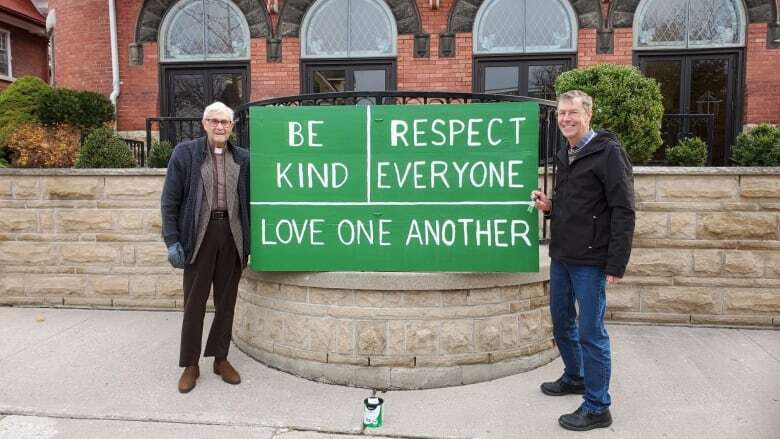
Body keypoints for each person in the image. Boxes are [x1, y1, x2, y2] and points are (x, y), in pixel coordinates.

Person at [531, 90, 635, 431]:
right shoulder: (567, 153)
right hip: (562, 253)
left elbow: (623, 210)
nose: (565, 119)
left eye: (572, 113)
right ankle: (575, 377)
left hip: (591, 261)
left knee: (591, 332)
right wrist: (550, 206)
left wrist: (616, 264)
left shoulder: (608, 153)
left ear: (587, 115)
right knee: (562, 322)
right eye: (561, 113)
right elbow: (577, 205)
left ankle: (597, 406)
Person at [161, 101, 250, 393]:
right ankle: (190, 364)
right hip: (199, 236)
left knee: (227, 302)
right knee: (194, 303)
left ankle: (220, 359)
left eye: (225, 122)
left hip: (232, 234)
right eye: (214, 121)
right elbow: (169, 201)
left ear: (232, 126)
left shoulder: (243, 158)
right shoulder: (185, 154)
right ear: (204, 124)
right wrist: (172, 240)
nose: (220, 126)